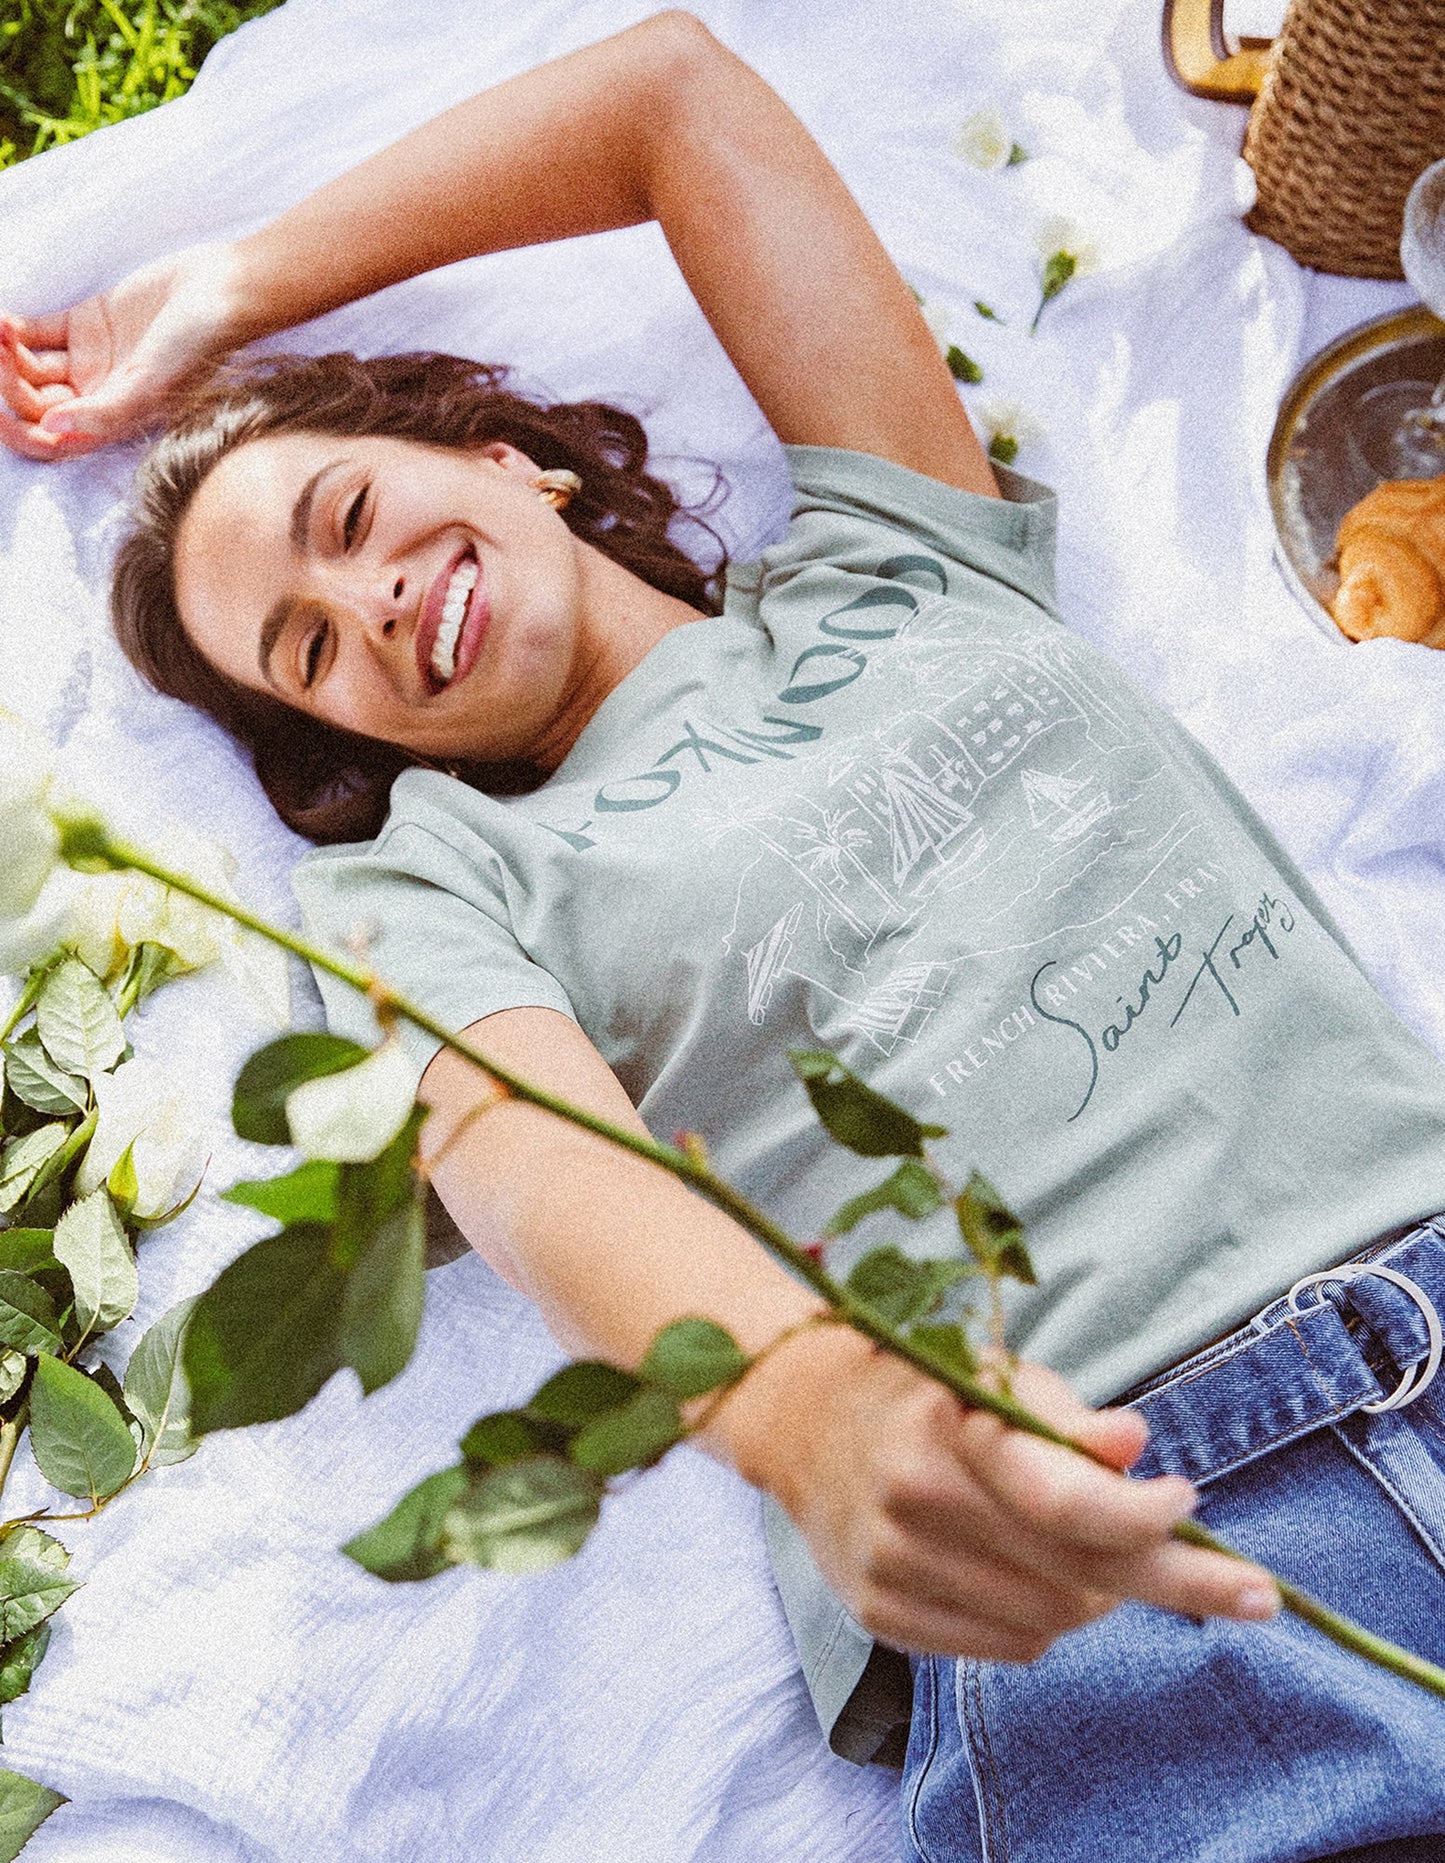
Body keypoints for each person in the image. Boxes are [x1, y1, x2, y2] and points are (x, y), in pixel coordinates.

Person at [7, 12, 1445, 1855]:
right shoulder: (433, 878)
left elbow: (669, 93)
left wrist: (225, 295)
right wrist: (808, 1405)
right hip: (1103, 1554)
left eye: (351, 513)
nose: (366, 604)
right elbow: (517, 1147)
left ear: (500, 454)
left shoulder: (898, 545)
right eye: (306, 653)